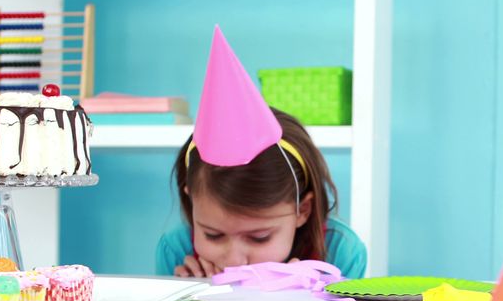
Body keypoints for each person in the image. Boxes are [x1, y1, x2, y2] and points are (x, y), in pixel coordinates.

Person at [156, 107, 367, 279]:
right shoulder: (176, 250)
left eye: (259, 238)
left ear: (302, 210)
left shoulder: (341, 253)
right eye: (213, 235)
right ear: (192, 201)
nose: (234, 261)